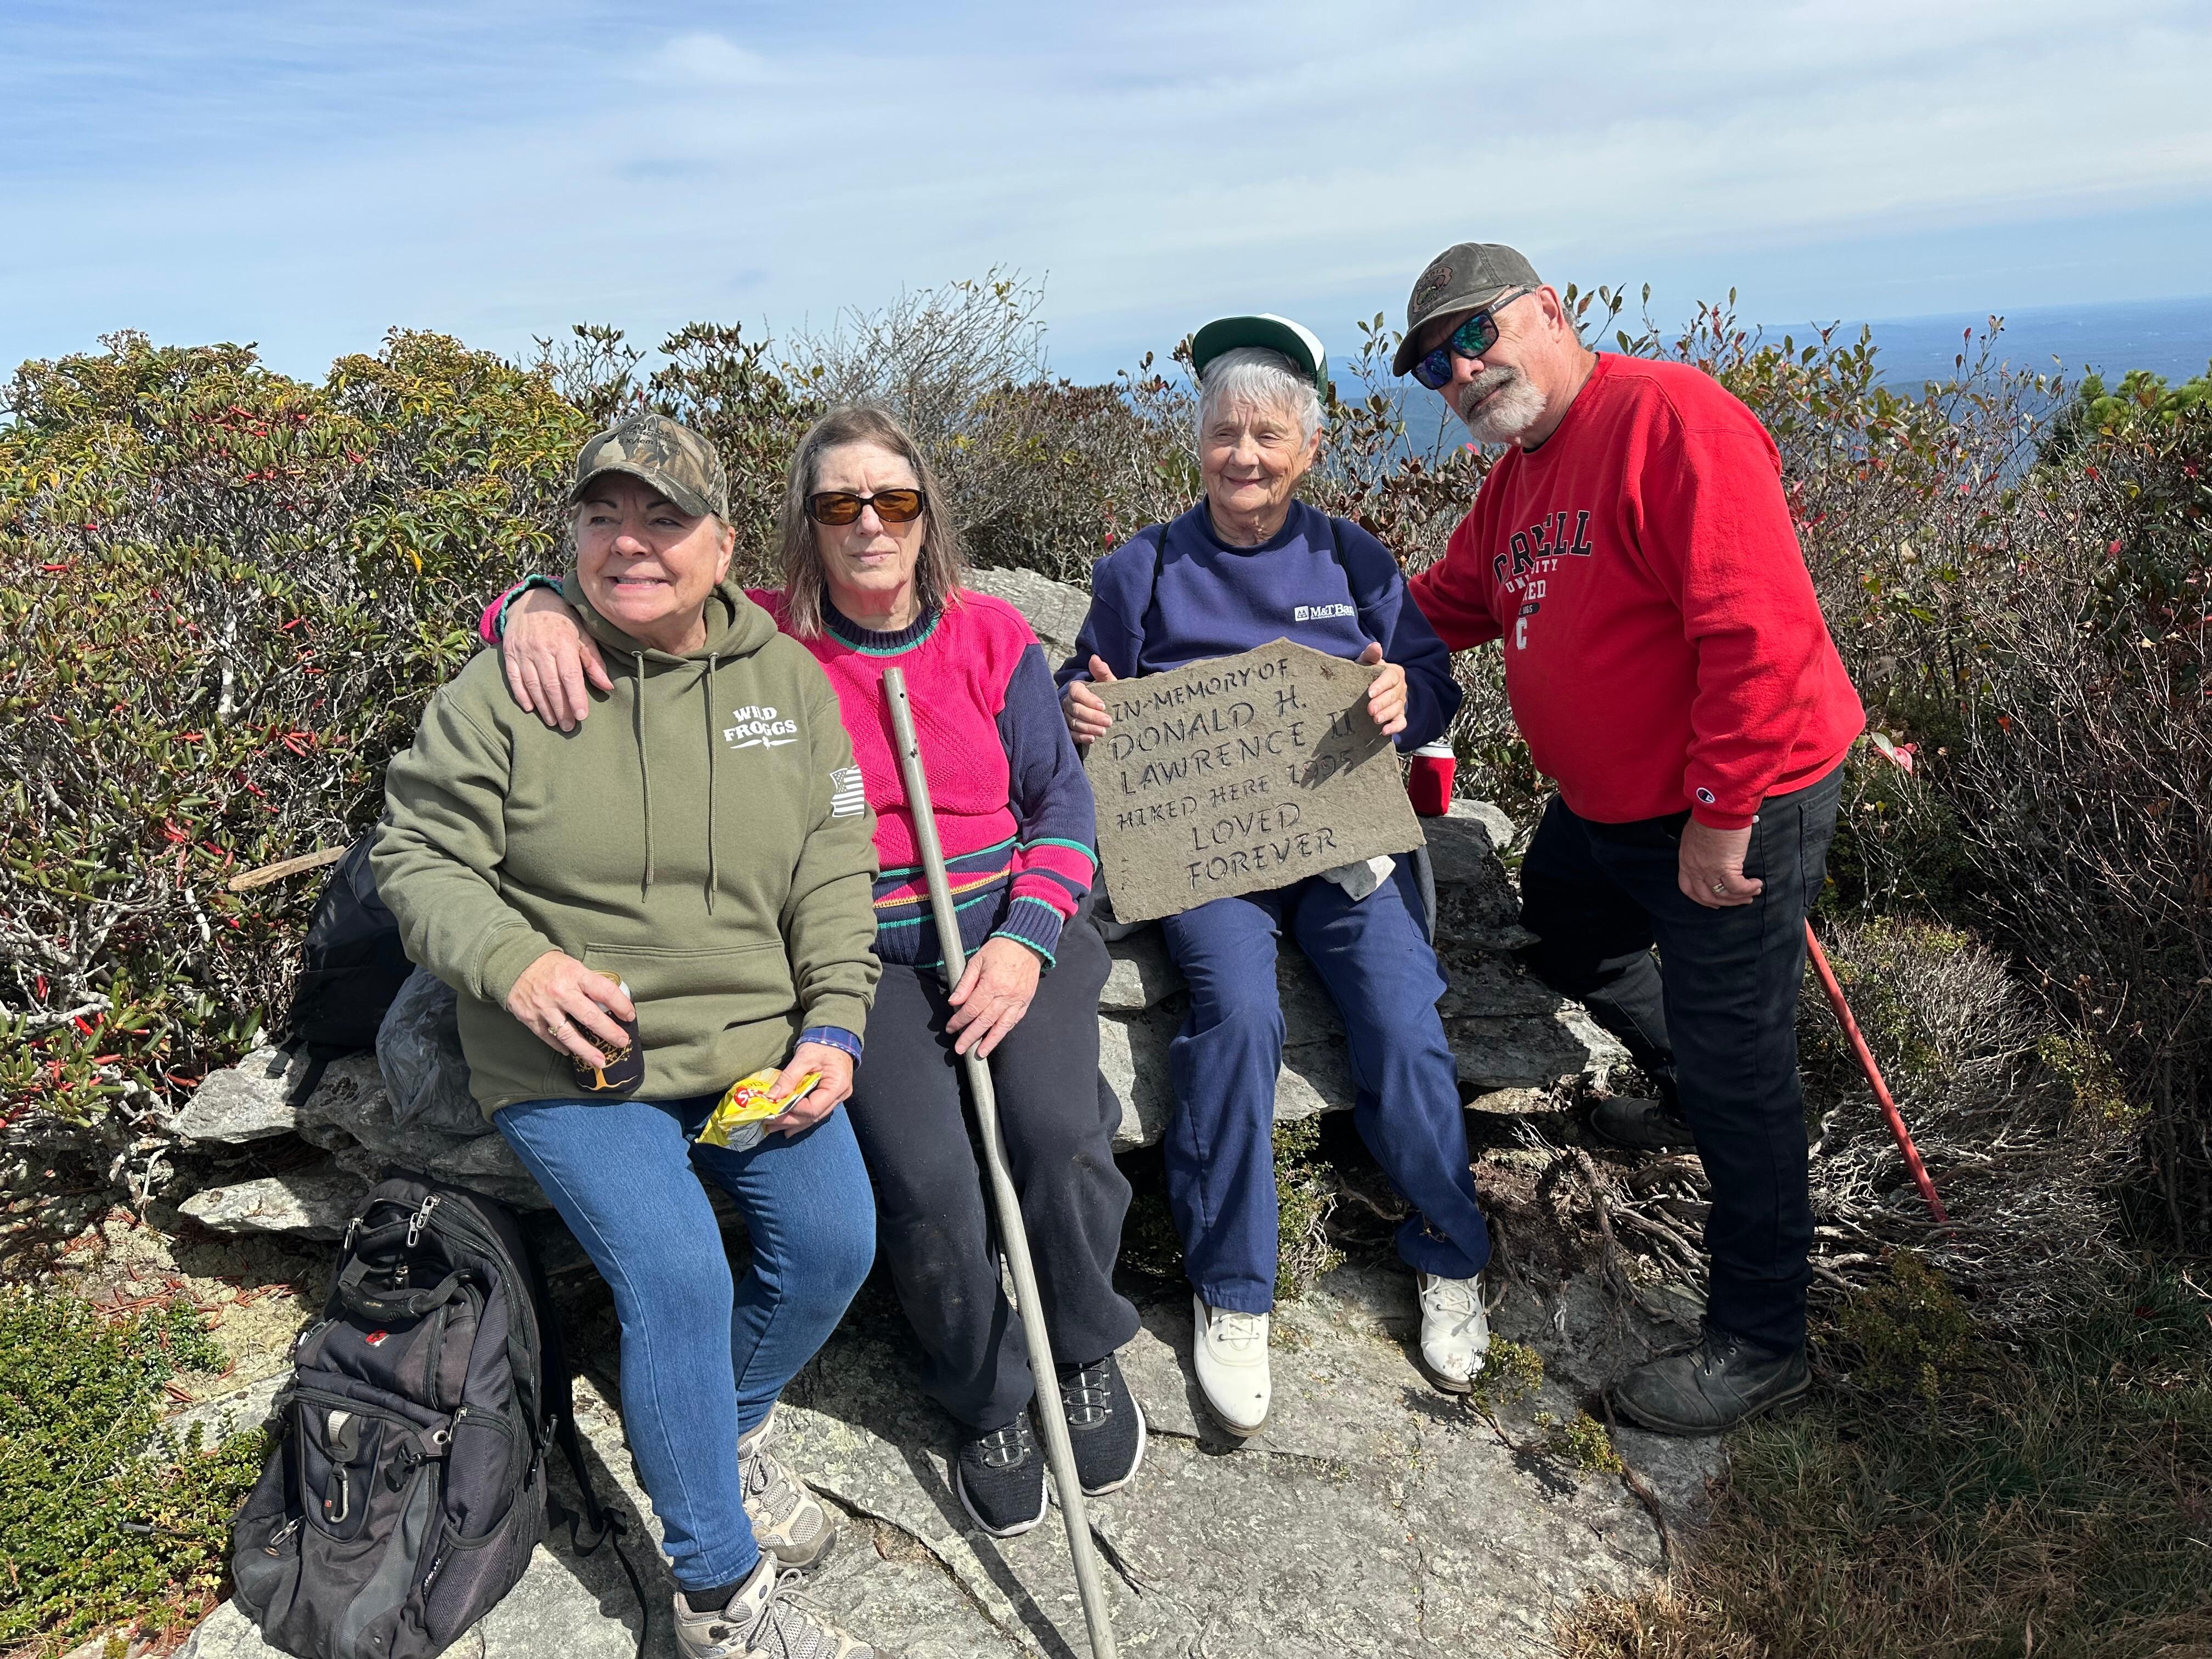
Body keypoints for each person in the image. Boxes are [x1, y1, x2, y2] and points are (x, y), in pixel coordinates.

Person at [488, 407, 1145, 1541]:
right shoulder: (766, 647)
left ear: (927, 512)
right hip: (863, 956)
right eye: (840, 503)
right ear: (807, 523)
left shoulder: (991, 637)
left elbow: (1063, 806)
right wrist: (527, 604)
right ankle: (987, 1393)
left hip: (1008, 929)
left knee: (1056, 1131)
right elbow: (634, 603)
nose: (869, 523)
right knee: (928, 1178)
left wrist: (1024, 940)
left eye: (894, 499)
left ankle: (1080, 1344)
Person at [373, 413, 887, 1659]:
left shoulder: (788, 686)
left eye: (664, 519)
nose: (630, 543)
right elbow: (418, 855)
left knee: (835, 1242)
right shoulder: (514, 681)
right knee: (678, 1274)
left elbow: (834, 869)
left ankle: (726, 1423)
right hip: (573, 1059)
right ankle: (716, 1595)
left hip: (752, 1045)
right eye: (602, 517)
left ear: (724, 545)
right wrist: (520, 967)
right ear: (572, 541)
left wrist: (835, 1025)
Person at [1392, 242, 1867, 1435]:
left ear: (1550, 312)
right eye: (1437, 365)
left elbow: (1759, 635)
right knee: (1568, 931)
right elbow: (1451, 603)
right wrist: (1312, 630)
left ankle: (1762, 1342)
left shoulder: (1670, 420)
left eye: (1475, 336)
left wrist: (1723, 816)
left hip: (1733, 801)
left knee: (1741, 1063)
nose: (1462, 372)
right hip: (1613, 807)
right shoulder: (1519, 480)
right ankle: (1683, 1092)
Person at [1060, 314, 1494, 1436]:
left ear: (1308, 448)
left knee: (1400, 1015)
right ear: (1198, 444)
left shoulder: (1353, 559)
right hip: (1208, 857)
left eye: (1267, 436)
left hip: (1342, 844)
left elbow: (1435, 683)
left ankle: (1451, 1252)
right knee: (1238, 1013)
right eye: (1225, 435)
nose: (1243, 456)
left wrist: (1402, 695)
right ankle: (1234, 1287)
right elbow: (1084, 684)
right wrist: (1081, 705)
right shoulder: (1142, 568)